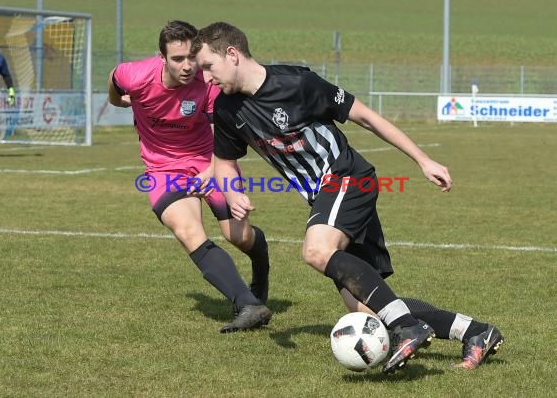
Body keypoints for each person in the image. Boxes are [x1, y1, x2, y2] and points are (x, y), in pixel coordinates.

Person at [191, 22, 504, 372]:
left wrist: (422, 159)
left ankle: (407, 328)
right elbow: (225, 163)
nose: (204, 78)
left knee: (316, 250)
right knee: (367, 307)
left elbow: (365, 117)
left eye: (208, 66)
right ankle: (476, 332)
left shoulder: (297, 83)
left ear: (232, 54)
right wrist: (232, 194)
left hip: (347, 177)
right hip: (325, 197)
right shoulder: (227, 110)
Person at [107, 20, 272, 333]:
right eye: (177, 59)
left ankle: (260, 263)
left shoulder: (208, 83)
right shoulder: (136, 75)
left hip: (210, 160)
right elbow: (114, 81)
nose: (186, 66)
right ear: (162, 58)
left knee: (239, 236)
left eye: (191, 58)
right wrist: (120, 100)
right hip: (163, 169)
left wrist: (210, 172)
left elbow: (220, 135)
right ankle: (249, 305)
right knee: (187, 230)